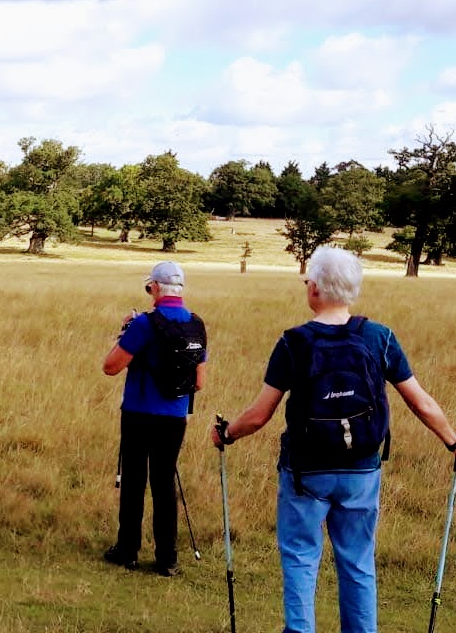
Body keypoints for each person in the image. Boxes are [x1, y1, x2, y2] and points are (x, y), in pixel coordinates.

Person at [212, 246, 456, 633]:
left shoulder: (293, 342)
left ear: (315, 290)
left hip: (305, 473)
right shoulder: (380, 338)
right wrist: (452, 441)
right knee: (357, 561)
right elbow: (421, 402)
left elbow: (260, 415)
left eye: (309, 280)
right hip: (361, 470)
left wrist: (226, 434)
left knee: (300, 558)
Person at [102, 260, 207, 577]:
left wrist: (126, 332)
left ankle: (127, 550)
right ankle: (167, 558)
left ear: (156, 288)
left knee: (133, 481)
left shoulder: (145, 324)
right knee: (164, 485)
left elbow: (111, 366)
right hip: (174, 417)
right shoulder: (196, 324)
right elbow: (199, 382)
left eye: (150, 287)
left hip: (138, 413)